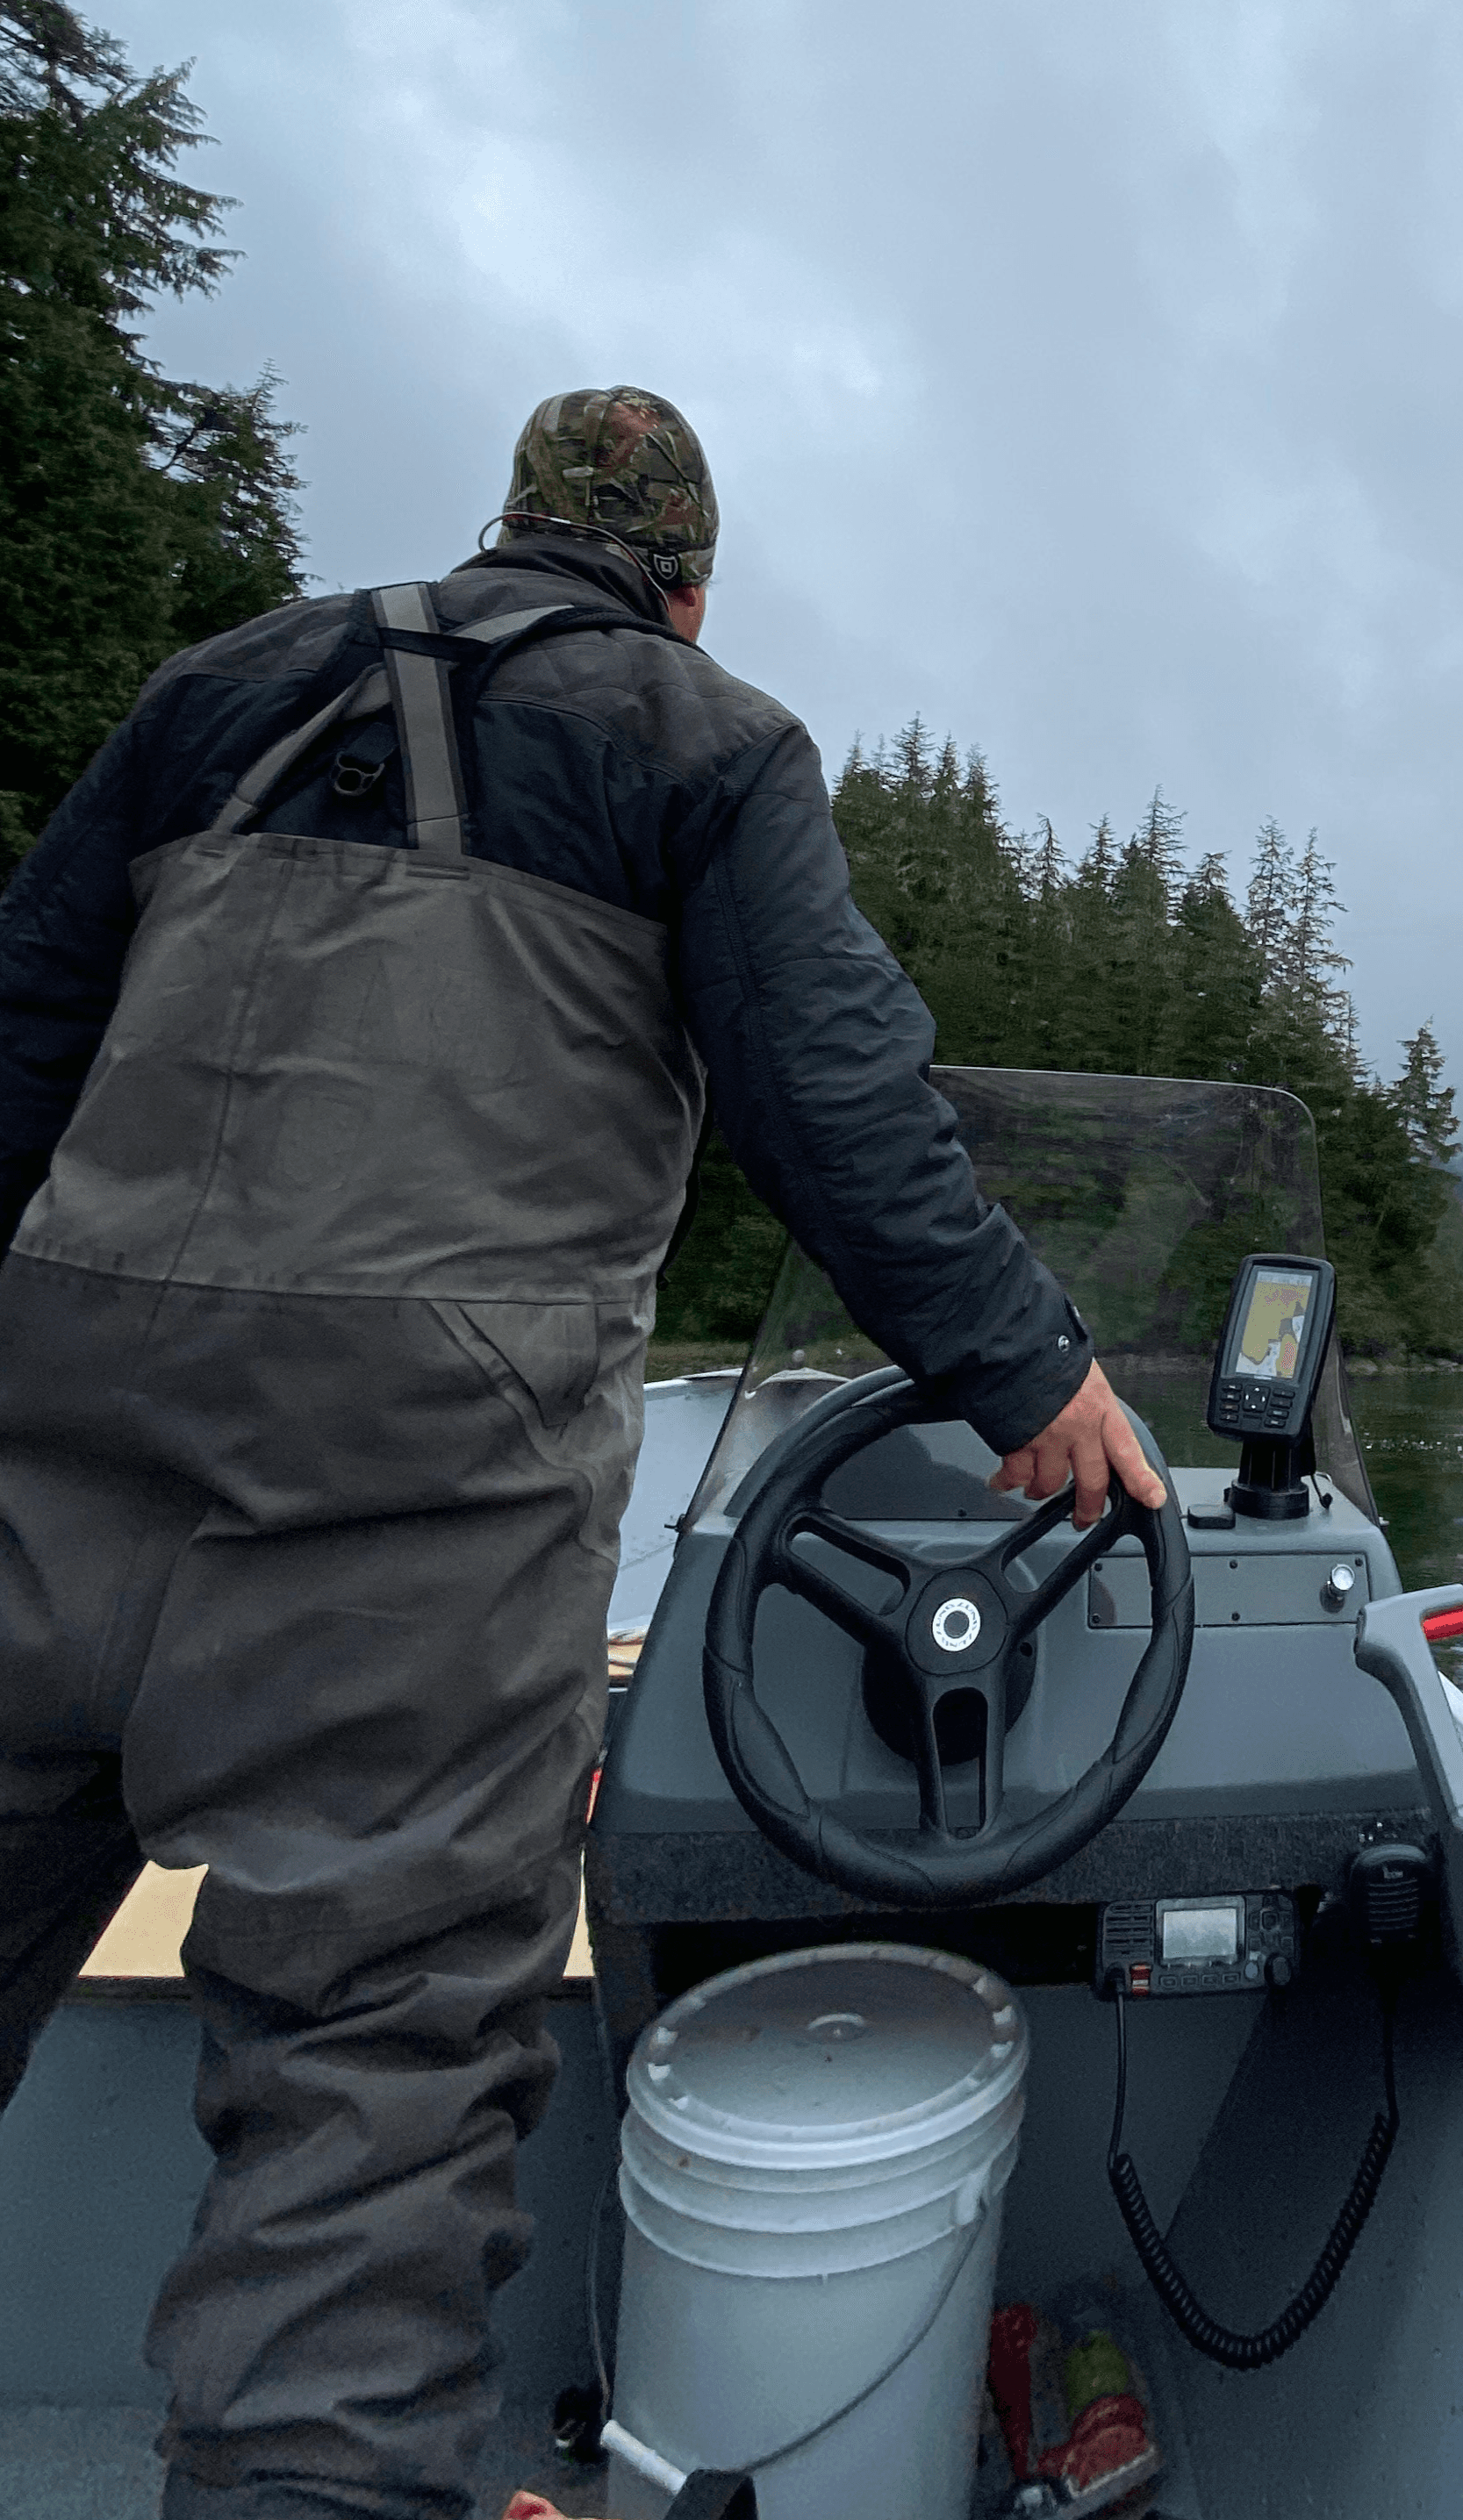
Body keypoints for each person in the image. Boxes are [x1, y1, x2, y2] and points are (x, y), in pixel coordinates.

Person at [0, 385, 1163, 2520]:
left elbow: (18, 1041)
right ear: (689, 579)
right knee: (364, 2111)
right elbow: (836, 1101)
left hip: (45, 1443)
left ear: (511, 523)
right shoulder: (702, 740)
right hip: (410, 1518)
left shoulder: (218, 689)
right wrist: (1033, 1378)